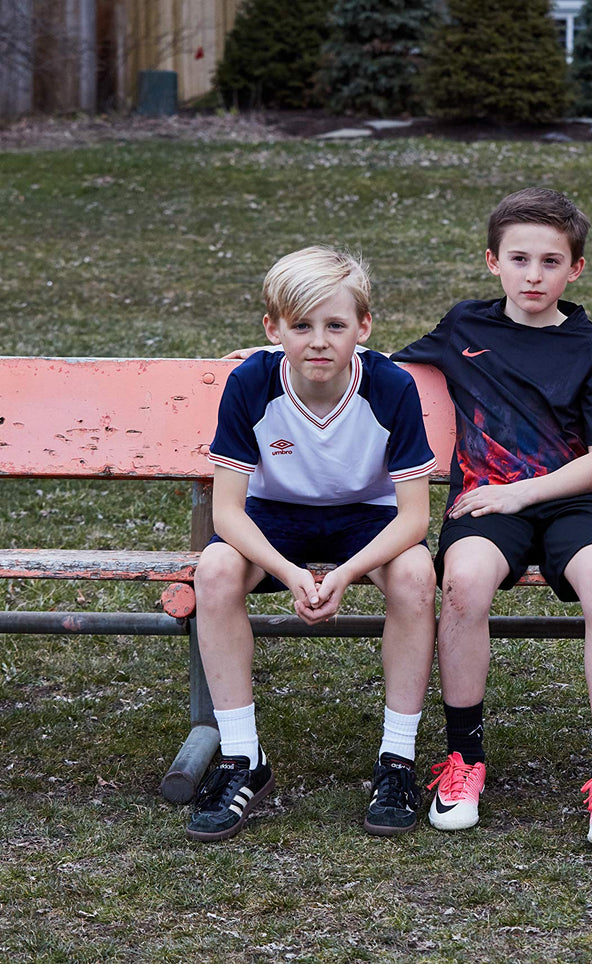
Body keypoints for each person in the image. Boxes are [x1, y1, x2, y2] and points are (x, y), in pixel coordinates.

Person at [392, 188, 592, 849]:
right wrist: (271, 363)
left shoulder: (590, 346)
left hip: (575, 501)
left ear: (575, 269)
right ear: (492, 261)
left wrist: (523, 493)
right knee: (463, 582)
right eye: (519, 259)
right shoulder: (464, 328)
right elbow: (377, 370)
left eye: (550, 262)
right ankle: (463, 761)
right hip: (487, 501)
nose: (534, 275)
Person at [188, 245, 439, 842]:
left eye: (335, 325)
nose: (319, 341)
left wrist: (344, 573)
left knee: (416, 574)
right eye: (301, 326)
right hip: (274, 516)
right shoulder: (252, 382)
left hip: (368, 517)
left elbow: (414, 519)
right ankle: (242, 757)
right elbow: (228, 511)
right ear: (273, 329)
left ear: (364, 327)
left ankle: (397, 759)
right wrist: (290, 572)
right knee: (216, 570)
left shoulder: (390, 386)